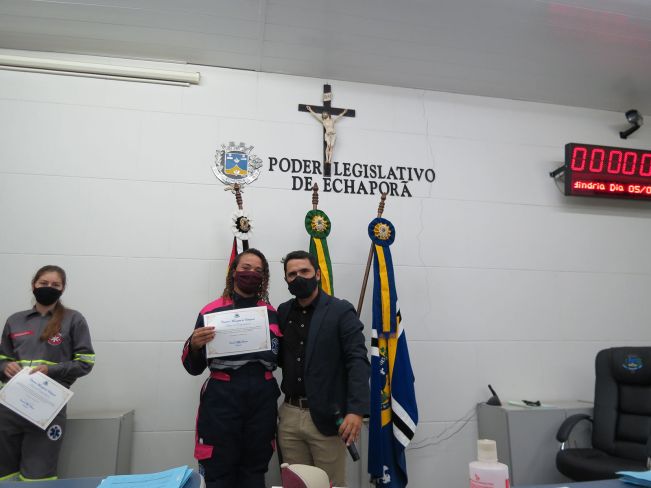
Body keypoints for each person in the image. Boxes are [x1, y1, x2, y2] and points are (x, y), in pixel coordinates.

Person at [182, 248, 281, 488]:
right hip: (222, 396)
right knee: (218, 469)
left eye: (258, 270)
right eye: (246, 268)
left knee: (255, 469)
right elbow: (193, 367)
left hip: (262, 396)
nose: (251, 273)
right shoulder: (210, 311)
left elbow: (282, 356)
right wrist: (194, 345)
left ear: (264, 277)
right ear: (234, 272)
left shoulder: (271, 314)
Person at [277, 250, 370, 487]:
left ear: (317, 274)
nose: (299, 277)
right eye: (292, 274)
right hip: (289, 416)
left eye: (305, 271)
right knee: (296, 483)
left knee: (330, 484)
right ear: (286, 279)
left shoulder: (340, 310)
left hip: (328, 417)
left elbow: (357, 360)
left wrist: (356, 410)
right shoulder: (283, 312)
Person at [0, 265, 95, 482]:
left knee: (38, 475)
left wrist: (50, 370)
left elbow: (86, 362)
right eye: (43, 283)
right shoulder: (15, 320)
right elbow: (2, 357)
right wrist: (4, 367)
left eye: (55, 285)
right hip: (8, 407)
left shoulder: (74, 319)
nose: (48, 287)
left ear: (63, 289)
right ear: (34, 285)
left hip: (47, 407)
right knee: (4, 473)